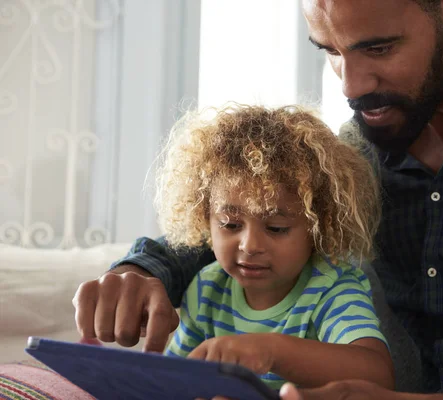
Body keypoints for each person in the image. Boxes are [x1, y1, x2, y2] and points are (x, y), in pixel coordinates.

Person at [73, 0, 443, 398]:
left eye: (378, 48)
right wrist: (145, 269)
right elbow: (246, 224)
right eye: (330, 52)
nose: (350, 86)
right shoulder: (361, 145)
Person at [146, 103, 394, 390]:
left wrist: (271, 351)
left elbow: (377, 375)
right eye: (230, 224)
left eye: (276, 228)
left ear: (319, 226)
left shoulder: (332, 288)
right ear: (205, 218)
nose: (249, 246)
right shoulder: (206, 289)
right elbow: (171, 384)